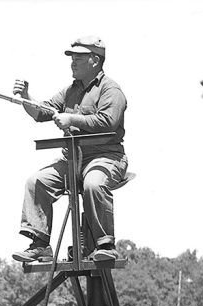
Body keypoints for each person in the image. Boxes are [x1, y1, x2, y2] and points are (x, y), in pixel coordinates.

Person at [11, 36, 128, 263]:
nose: (72, 63)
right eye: (72, 58)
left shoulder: (111, 90)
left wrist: (72, 120)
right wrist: (26, 98)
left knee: (93, 184)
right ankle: (40, 244)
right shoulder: (70, 91)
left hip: (106, 157)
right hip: (73, 159)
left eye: (78, 58)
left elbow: (108, 122)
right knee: (37, 182)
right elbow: (42, 113)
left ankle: (106, 245)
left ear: (94, 60)